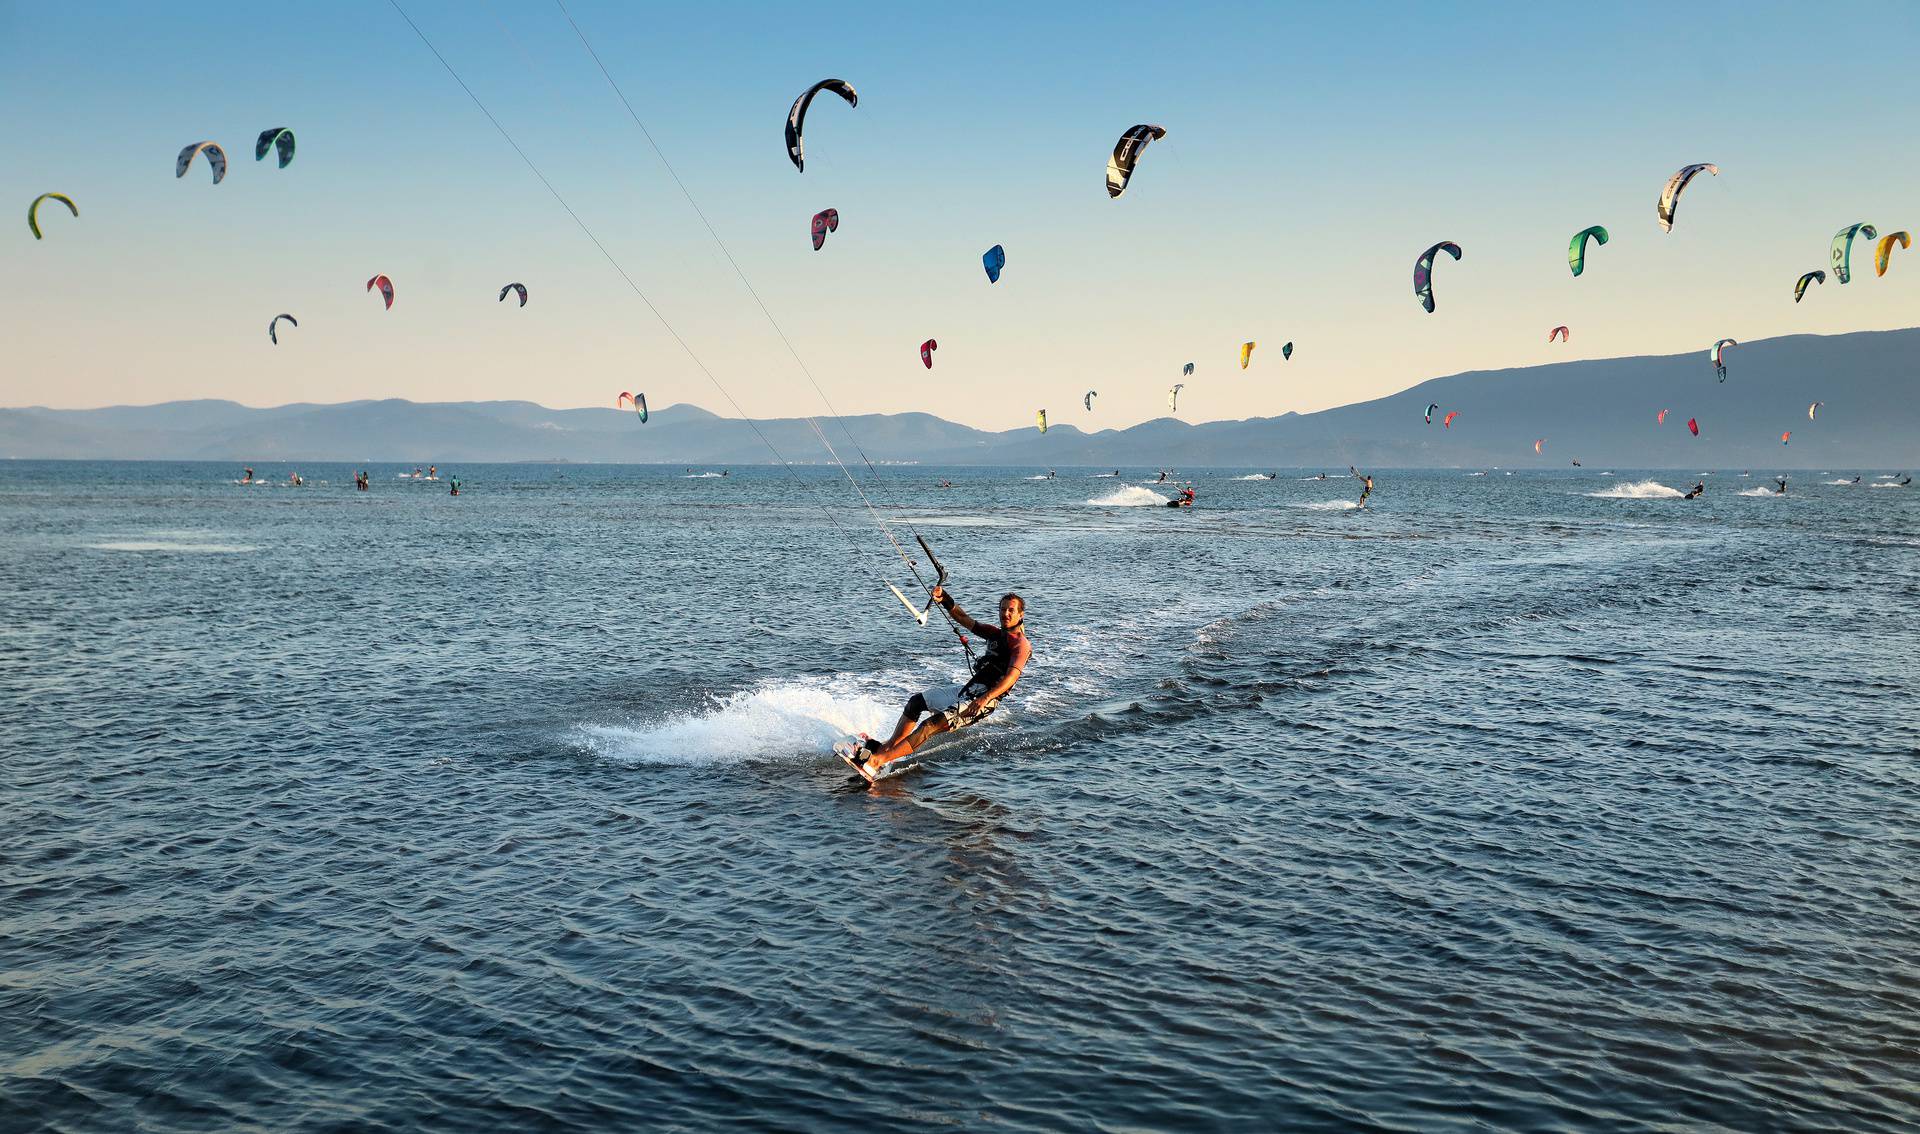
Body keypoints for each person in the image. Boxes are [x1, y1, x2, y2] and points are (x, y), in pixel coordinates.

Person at [851, 588, 1031, 777]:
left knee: (929, 726)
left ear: (1021, 614)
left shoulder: (1021, 645)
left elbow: (1011, 678)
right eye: (1003, 609)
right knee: (916, 702)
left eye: (1011, 610)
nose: (1006, 614)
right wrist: (944, 597)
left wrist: (984, 699)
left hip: (984, 701)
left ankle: (879, 761)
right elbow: (963, 618)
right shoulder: (995, 633)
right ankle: (886, 748)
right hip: (968, 690)